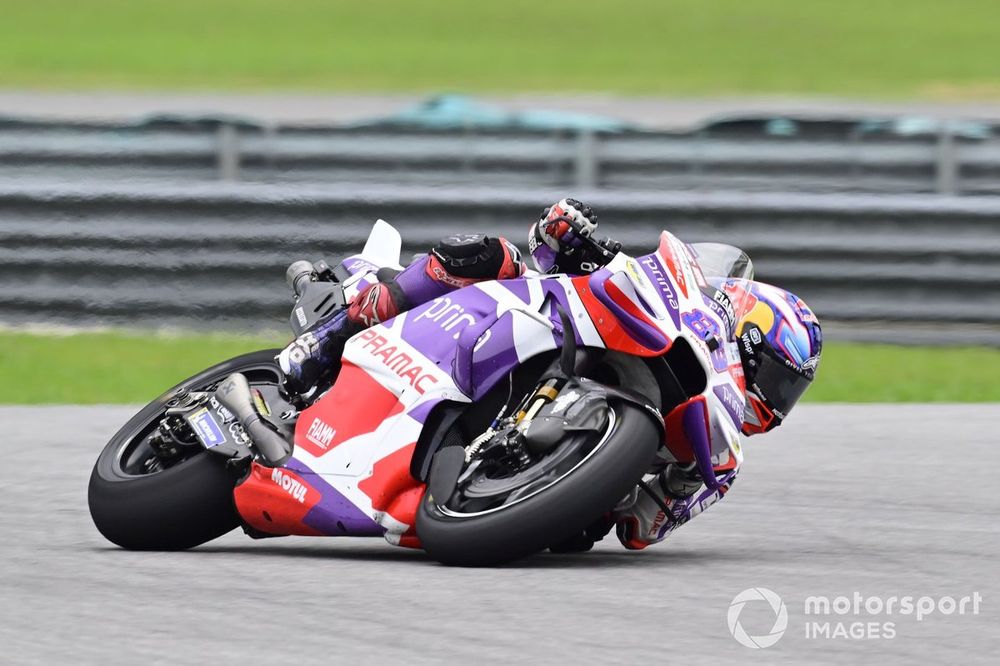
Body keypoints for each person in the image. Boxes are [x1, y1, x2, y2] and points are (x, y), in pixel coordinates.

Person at [276, 198, 823, 552]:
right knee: (492, 256)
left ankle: (479, 475)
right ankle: (328, 337)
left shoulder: (719, 465)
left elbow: (639, 531)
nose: (776, 403)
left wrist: (673, 484)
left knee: (580, 538)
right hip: (525, 322)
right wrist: (574, 234)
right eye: (778, 381)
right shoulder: (669, 301)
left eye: (788, 394)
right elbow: (552, 239)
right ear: (748, 336)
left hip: (540, 499)